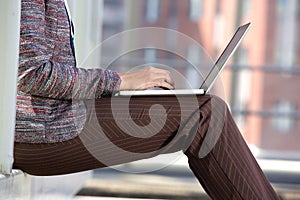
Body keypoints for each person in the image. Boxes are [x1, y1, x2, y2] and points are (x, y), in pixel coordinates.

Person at [13, 0, 280, 199]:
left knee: (205, 109)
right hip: (39, 133)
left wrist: (120, 88)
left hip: (51, 120)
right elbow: (30, 75)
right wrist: (121, 81)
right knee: (204, 115)